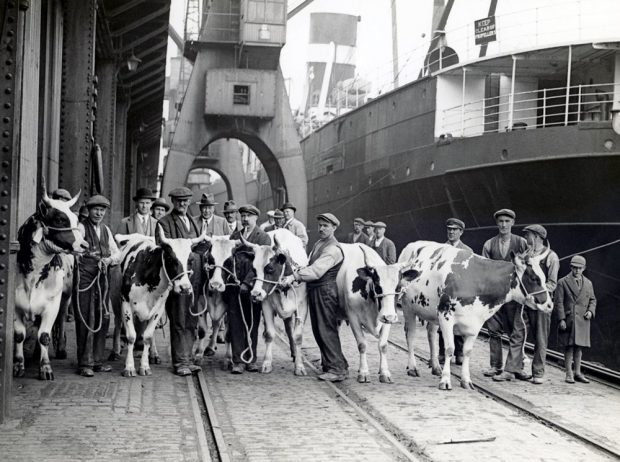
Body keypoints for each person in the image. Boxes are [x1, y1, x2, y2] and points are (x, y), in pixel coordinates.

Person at [283, 213, 347, 382]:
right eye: (319, 225)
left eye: (325, 226)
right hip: (317, 290)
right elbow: (309, 265)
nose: (321, 228)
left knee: (326, 329)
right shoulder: (320, 243)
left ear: (334, 228)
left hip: (325, 291)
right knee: (319, 330)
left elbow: (316, 271)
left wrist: (294, 277)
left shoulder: (332, 248)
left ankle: (337, 369)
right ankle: (333, 364)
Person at [501, 224, 559, 384]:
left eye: (528, 235)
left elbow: (552, 283)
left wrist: (536, 293)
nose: (525, 238)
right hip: (524, 302)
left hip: (541, 303)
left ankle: (538, 373)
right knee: (517, 334)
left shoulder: (551, 257)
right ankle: (511, 370)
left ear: (537, 237)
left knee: (540, 338)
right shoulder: (524, 255)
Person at [156, 187, 203, 376]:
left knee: (191, 318)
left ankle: (188, 358)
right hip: (178, 277)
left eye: (186, 201)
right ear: (173, 202)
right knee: (179, 318)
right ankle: (180, 361)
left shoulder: (192, 221)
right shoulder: (164, 222)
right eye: (179, 201)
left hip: (195, 277)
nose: (183, 204)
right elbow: (164, 249)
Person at [74, 195, 120, 377]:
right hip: (85, 280)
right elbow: (75, 249)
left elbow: (117, 253)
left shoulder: (106, 230)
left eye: (102, 210)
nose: (99, 213)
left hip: (102, 281)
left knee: (103, 317)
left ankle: (98, 360)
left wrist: (108, 260)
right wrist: (90, 258)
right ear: (89, 210)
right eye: (96, 209)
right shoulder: (80, 228)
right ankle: (85, 362)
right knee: (86, 318)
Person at [481, 208, 529, 380]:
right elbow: (484, 269)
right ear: (497, 223)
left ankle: (515, 367)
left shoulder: (522, 243)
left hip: (515, 295)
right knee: (494, 330)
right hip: (495, 295)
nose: (503, 224)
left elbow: (528, 268)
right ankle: (496, 366)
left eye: (507, 221)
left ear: (513, 223)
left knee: (517, 331)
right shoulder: (489, 244)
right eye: (500, 221)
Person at [226, 205, 271, 374]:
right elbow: (228, 258)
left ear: (256, 218)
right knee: (236, 322)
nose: (245, 219)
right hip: (234, 287)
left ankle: (251, 359)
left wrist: (246, 282)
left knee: (252, 322)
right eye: (242, 216)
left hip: (253, 287)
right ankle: (238, 361)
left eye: (248, 216)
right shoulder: (235, 236)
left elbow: (262, 264)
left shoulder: (264, 237)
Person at [555, 255, 596, 384]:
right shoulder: (562, 282)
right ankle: (569, 373)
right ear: (571, 267)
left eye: (580, 268)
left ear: (584, 268)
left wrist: (590, 311)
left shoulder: (588, 283)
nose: (577, 270)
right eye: (575, 268)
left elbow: (593, 300)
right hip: (569, 320)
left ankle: (577, 372)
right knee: (568, 347)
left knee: (579, 348)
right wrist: (561, 319)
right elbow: (559, 302)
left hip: (583, 321)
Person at [438, 218, 473, 365]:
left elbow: (470, 272)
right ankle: (441, 351)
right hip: (443, 291)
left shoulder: (467, 250)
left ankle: (459, 352)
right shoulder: (440, 248)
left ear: (461, 232)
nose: (451, 232)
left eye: (455, 230)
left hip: (460, 292)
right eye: (449, 229)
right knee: (442, 321)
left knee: (458, 321)